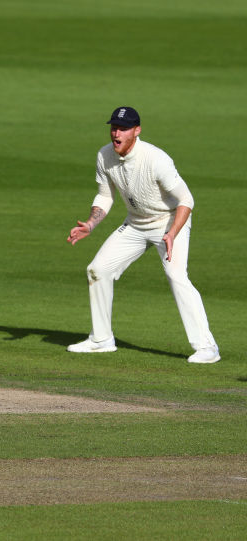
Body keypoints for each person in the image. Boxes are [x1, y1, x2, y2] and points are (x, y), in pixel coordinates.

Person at [66, 107, 220, 364]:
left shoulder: (156, 159)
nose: (116, 133)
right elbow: (105, 195)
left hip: (169, 222)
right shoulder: (104, 155)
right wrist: (91, 224)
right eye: (114, 127)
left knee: (176, 275)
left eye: (123, 129)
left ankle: (207, 347)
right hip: (136, 224)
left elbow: (186, 200)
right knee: (97, 270)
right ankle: (101, 339)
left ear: (137, 130)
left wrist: (172, 233)